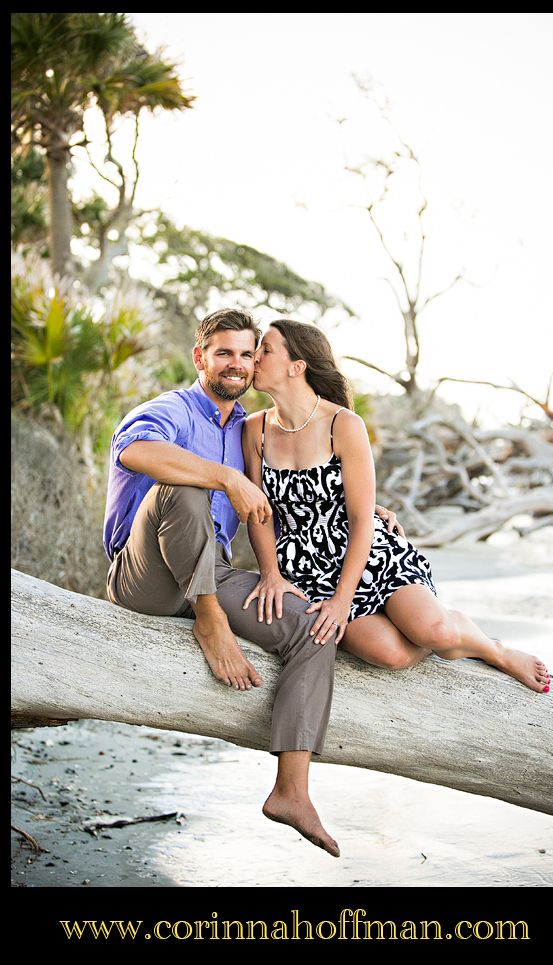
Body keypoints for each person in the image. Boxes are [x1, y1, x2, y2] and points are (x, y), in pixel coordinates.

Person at [103, 306, 402, 859]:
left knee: (315, 629)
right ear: (200, 358)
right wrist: (223, 476)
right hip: (143, 576)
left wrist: (364, 504)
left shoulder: (245, 428)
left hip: (208, 569)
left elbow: (295, 489)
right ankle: (210, 622)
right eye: (225, 353)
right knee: (183, 486)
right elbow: (135, 452)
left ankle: (291, 791)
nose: (239, 364)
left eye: (249, 353)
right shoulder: (170, 409)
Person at [241, 318, 552, 696]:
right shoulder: (254, 429)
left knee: (431, 631)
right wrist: (271, 574)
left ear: (297, 366)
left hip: (367, 554)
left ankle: (493, 649)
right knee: (389, 654)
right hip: (307, 570)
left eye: (265, 350)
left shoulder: (343, 424)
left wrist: (342, 601)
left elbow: (360, 518)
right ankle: (444, 638)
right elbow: (260, 512)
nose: (254, 358)